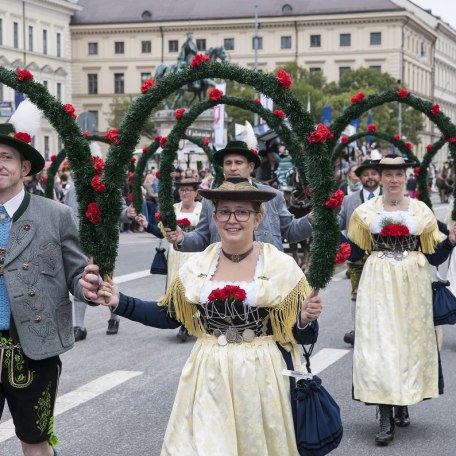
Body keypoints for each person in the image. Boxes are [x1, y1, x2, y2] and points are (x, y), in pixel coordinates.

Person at [81, 178, 323, 456]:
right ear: (215, 217)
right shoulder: (198, 265)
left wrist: (304, 319)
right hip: (209, 371)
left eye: (242, 212)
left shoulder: (282, 266)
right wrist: (119, 302)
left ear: (258, 218)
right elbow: (169, 316)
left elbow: (304, 335)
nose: (233, 220)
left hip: (262, 375)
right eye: (224, 212)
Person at [347, 154, 456, 446]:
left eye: (399, 174)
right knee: (381, 342)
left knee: (408, 342)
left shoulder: (421, 211)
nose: (394, 180)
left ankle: (402, 399)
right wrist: (336, 242)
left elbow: (435, 256)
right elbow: (355, 254)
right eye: (388, 175)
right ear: (379, 177)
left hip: (413, 285)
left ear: (405, 177)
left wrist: (450, 242)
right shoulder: (365, 212)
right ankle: (384, 413)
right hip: (378, 282)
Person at [0, 131, 93, 455]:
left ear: (25, 168)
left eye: (5, 157)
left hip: (34, 346)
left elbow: (77, 273)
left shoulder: (55, 214)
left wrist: (91, 288)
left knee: (35, 440)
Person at [164, 140, 313, 252]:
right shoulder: (210, 200)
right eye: (228, 163)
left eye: (238, 162)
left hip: (268, 276)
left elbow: (290, 231)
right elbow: (202, 238)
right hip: (224, 273)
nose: (233, 168)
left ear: (250, 167)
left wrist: (311, 219)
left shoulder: (272, 196)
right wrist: (182, 238)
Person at [135, 177, 203, 342]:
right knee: (177, 288)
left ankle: (192, 323)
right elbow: (162, 233)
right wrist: (147, 225)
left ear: (195, 192)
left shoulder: (203, 209)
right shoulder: (173, 209)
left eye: (188, 190)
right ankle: (182, 321)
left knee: (193, 288)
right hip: (176, 255)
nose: (184, 193)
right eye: (181, 189)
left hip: (197, 254)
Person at [337, 159, 381, 346]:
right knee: (357, 293)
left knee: (382, 293)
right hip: (357, 256)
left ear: (379, 176)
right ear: (360, 177)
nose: (369, 177)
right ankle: (358, 330)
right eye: (365, 174)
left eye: (373, 173)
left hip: (383, 255)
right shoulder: (348, 200)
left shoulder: (390, 197)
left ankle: (381, 329)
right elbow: (337, 224)